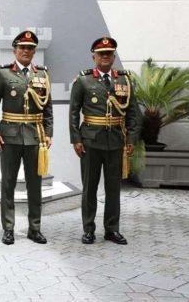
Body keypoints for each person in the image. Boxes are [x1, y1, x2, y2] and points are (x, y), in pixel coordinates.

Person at [69, 37, 141, 245]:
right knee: (89, 187)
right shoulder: (84, 80)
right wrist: (76, 139)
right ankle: (88, 229)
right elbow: (74, 112)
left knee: (113, 188)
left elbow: (133, 113)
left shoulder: (124, 80)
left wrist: (132, 139)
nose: (105, 57)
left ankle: (112, 229)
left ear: (114, 56)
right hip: (90, 141)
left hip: (116, 141)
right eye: (101, 54)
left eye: (109, 53)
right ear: (94, 56)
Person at [0, 30, 53, 245]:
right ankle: (8, 228)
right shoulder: (4, 74)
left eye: (30, 48)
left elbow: (48, 109)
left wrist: (49, 133)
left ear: (34, 52)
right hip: (10, 137)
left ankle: (35, 228)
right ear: (15, 50)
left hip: (35, 137)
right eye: (22, 48)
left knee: (35, 185)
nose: (26, 51)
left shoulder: (42, 75)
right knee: (8, 184)